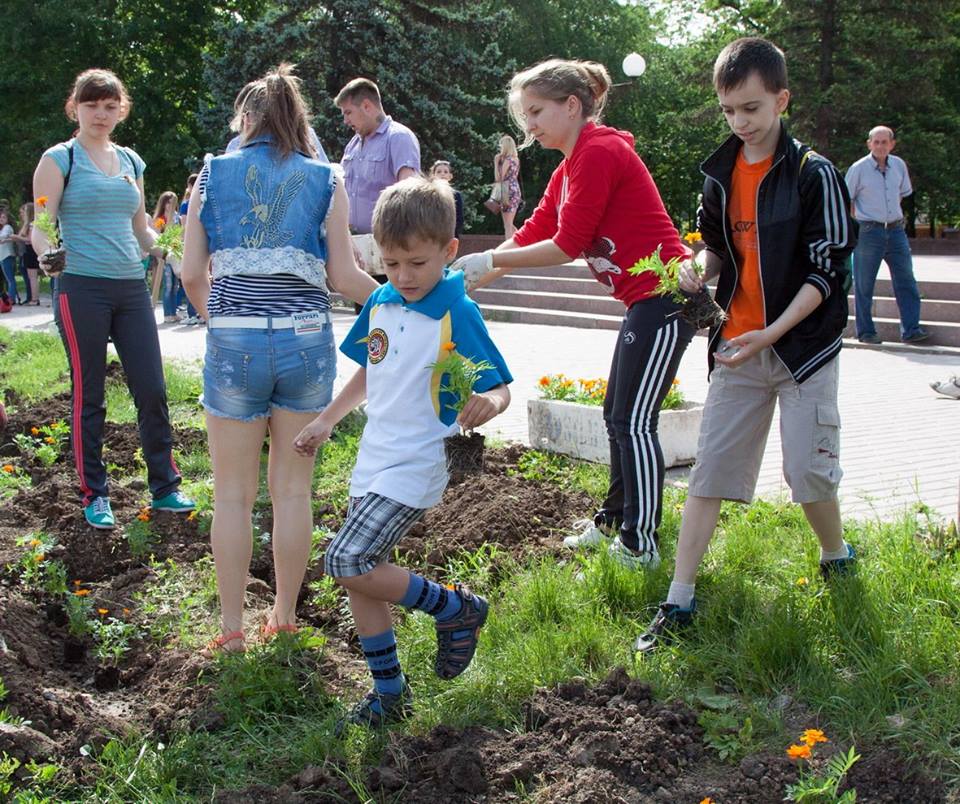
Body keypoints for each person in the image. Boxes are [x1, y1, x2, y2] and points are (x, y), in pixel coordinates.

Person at [633, 38, 858, 653]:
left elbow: (825, 273)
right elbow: (716, 248)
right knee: (709, 473)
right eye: (729, 110)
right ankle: (679, 600)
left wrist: (775, 331)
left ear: (782, 99)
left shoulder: (816, 175)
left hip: (803, 348)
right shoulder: (720, 173)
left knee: (807, 471)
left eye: (752, 109)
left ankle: (836, 556)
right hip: (737, 345)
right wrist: (696, 271)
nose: (741, 123)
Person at [453, 58, 695, 572]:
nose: (530, 126)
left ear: (572, 105)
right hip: (645, 302)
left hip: (669, 297)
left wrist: (489, 260)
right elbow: (530, 233)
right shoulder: (567, 169)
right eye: (525, 117)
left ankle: (640, 543)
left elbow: (566, 244)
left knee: (634, 422)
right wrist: (459, 286)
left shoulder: (600, 150)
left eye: (536, 112)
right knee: (618, 416)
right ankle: (612, 522)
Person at [293, 176, 512, 728]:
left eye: (416, 263)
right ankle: (389, 694)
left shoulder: (456, 312)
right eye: (391, 263)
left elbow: (499, 384)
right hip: (374, 457)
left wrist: (488, 399)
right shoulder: (384, 301)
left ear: (449, 251)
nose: (403, 276)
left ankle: (456, 608)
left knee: (345, 560)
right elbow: (371, 371)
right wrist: (325, 420)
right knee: (362, 572)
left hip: (419, 461)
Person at [181, 64, 379, 654]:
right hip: (306, 343)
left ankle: (232, 631)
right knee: (294, 492)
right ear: (300, 119)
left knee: (232, 495)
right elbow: (344, 277)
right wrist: (405, 296)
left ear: (246, 120)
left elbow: (193, 275)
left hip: (235, 342)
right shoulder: (327, 178)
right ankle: (286, 617)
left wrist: (220, 321)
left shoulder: (211, 176)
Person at [31, 68, 195, 529]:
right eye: (92, 105)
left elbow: (141, 227)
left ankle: (165, 487)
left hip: (131, 287)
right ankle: (94, 493)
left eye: (110, 106)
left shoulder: (131, 162)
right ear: (76, 108)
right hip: (81, 285)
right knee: (91, 393)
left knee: (153, 389)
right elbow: (41, 228)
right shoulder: (60, 159)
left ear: (121, 109)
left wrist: (174, 254)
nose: (101, 114)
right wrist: (48, 257)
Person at [845, 126, 928, 345]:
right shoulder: (858, 169)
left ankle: (911, 329)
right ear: (869, 144)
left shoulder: (899, 165)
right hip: (868, 231)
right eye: (876, 142)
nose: (880, 146)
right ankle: (866, 332)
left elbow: (901, 194)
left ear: (892, 144)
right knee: (864, 283)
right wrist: (859, 225)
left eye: (885, 142)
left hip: (896, 230)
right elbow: (847, 199)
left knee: (906, 281)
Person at [151, 191, 181, 323]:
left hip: (177, 252)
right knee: (168, 285)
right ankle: (167, 314)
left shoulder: (177, 218)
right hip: (165, 254)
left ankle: (173, 312)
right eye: (167, 202)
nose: (170, 205)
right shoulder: (161, 219)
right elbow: (155, 235)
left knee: (175, 286)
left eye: (171, 202)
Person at [492, 135, 522, 238]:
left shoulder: (507, 160)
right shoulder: (516, 159)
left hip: (506, 190)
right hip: (515, 189)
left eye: (501, 145)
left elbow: (499, 178)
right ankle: (521, 242)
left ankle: (508, 250)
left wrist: (496, 163)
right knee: (510, 223)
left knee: (507, 225)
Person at [13, 204, 41, 305]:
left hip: (31, 250)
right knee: (31, 276)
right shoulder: (29, 224)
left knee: (33, 276)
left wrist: (16, 237)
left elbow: (29, 239)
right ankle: (34, 298)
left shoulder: (32, 224)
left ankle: (35, 299)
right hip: (29, 250)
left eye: (24, 212)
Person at [429, 160, 463, 236]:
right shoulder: (428, 194)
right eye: (439, 172)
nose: (442, 174)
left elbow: (459, 218)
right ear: (433, 175)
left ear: (450, 176)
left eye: (445, 172)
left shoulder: (456, 195)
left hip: (451, 234)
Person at [0, 210, 18, 303]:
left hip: (7, 255)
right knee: (8, 279)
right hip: (3, 256)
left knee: (10, 279)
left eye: (4, 217)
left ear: (8, 219)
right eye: (0, 217)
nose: (1, 219)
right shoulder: (3, 228)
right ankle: (9, 297)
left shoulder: (7, 227)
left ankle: (11, 299)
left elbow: (3, 236)